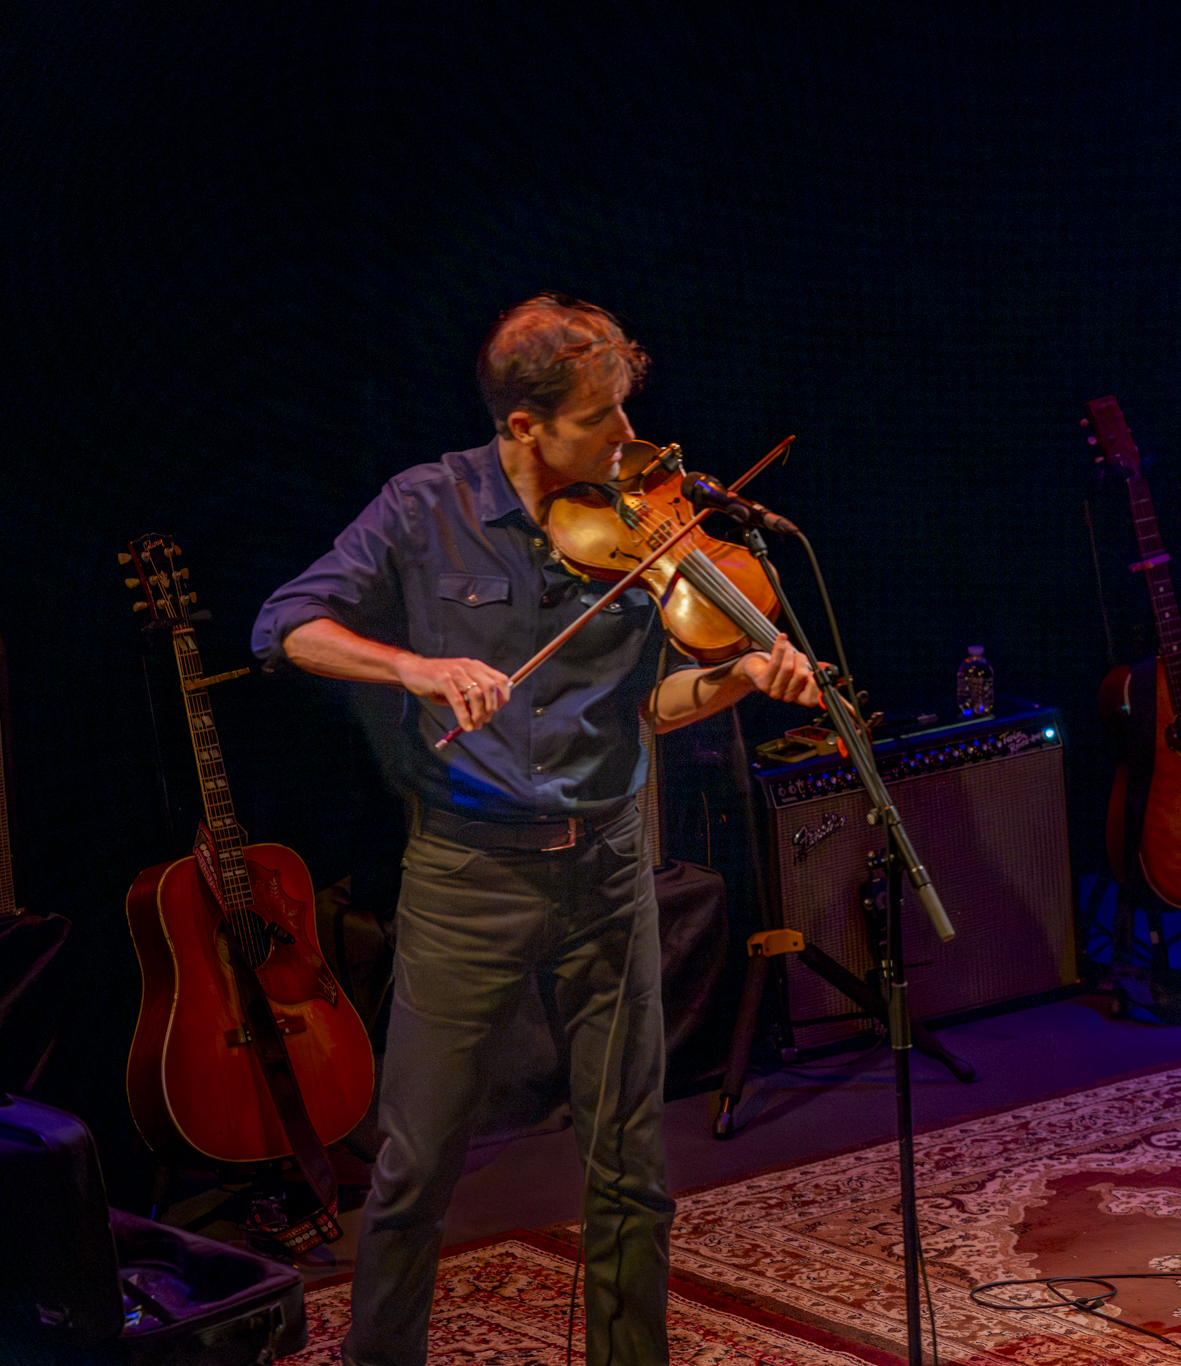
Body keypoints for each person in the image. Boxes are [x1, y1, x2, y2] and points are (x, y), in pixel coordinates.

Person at [252, 293, 821, 1366]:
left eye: (625, 412)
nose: (627, 439)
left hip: (607, 865)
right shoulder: (425, 506)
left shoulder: (637, 527)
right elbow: (285, 627)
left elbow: (652, 708)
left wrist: (740, 675)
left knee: (631, 1165)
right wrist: (416, 667)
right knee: (417, 1164)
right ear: (524, 423)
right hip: (469, 876)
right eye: (599, 419)